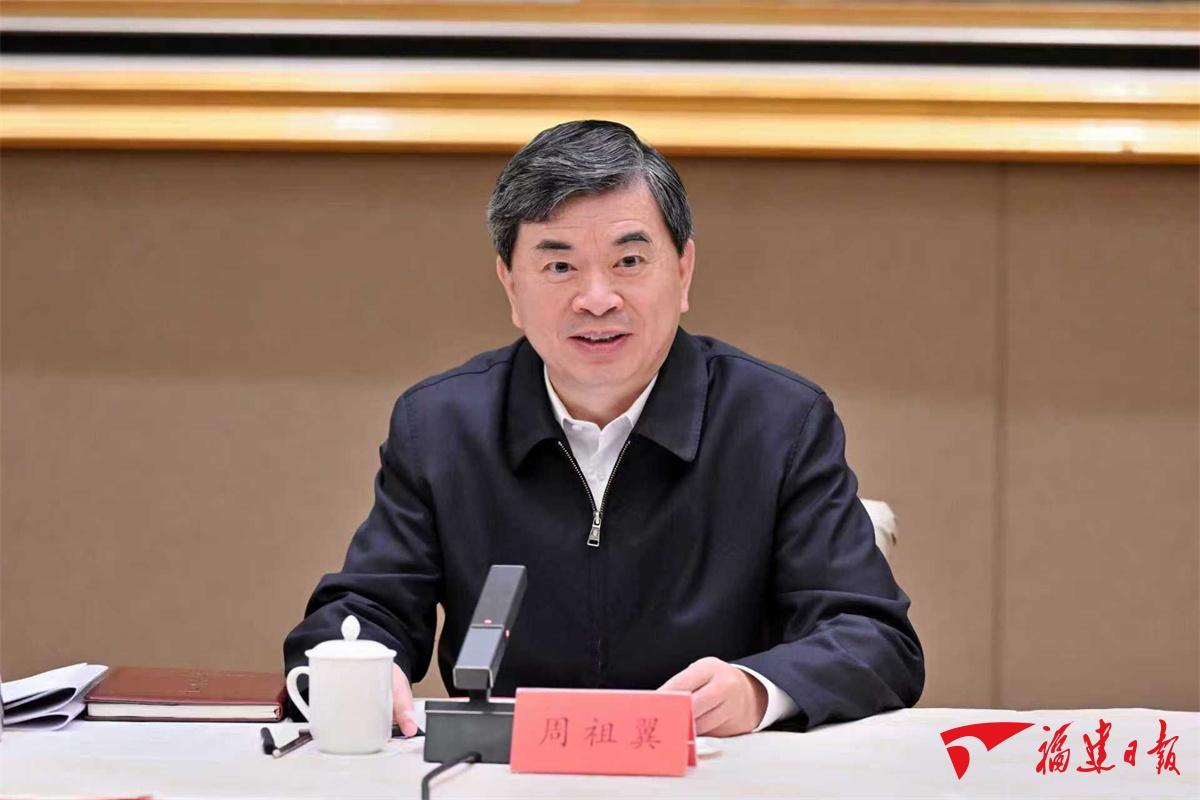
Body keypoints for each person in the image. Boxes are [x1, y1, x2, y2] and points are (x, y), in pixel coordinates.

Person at [284, 120, 923, 737]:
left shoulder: (777, 422)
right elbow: (363, 612)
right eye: (559, 267)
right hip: (504, 776)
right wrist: (359, 671)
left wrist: (758, 691)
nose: (596, 298)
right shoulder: (442, 426)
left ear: (684, 272)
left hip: (714, 772)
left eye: (629, 260)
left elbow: (873, 637)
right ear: (510, 285)